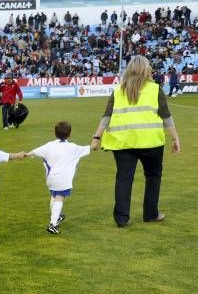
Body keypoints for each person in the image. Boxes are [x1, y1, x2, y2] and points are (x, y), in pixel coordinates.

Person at [90, 55, 181, 227]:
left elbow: (106, 116)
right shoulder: (155, 89)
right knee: (153, 177)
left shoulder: (118, 91)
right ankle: (150, 214)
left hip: (123, 143)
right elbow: (166, 117)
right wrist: (175, 138)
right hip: (151, 143)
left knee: (124, 178)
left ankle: (121, 218)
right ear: (147, 70)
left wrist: (96, 137)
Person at [26, 121, 91, 234]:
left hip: (51, 178)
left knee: (54, 196)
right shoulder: (73, 147)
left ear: (55, 133)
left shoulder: (49, 145)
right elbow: (90, 148)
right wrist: (96, 140)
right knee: (59, 198)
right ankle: (53, 224)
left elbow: (34, 152)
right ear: (69, 134)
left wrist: (25, 155)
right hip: (63, 179)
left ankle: (57, 216)